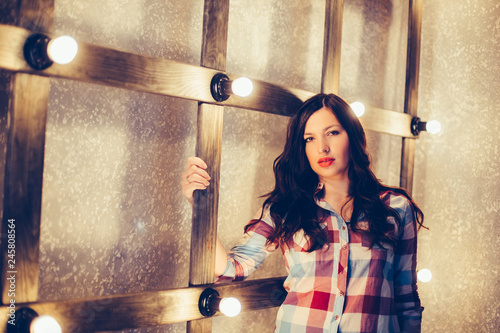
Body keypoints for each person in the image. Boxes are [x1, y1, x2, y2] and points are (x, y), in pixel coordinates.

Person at [181, 93, 424, 333]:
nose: (322, 147)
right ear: (302, 147)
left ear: (353, 135)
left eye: (333, 132)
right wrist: (200, 206)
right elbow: (229, 269)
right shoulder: (285, 207)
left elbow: (406, 299)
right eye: (309, 138)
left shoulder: (395, 207)